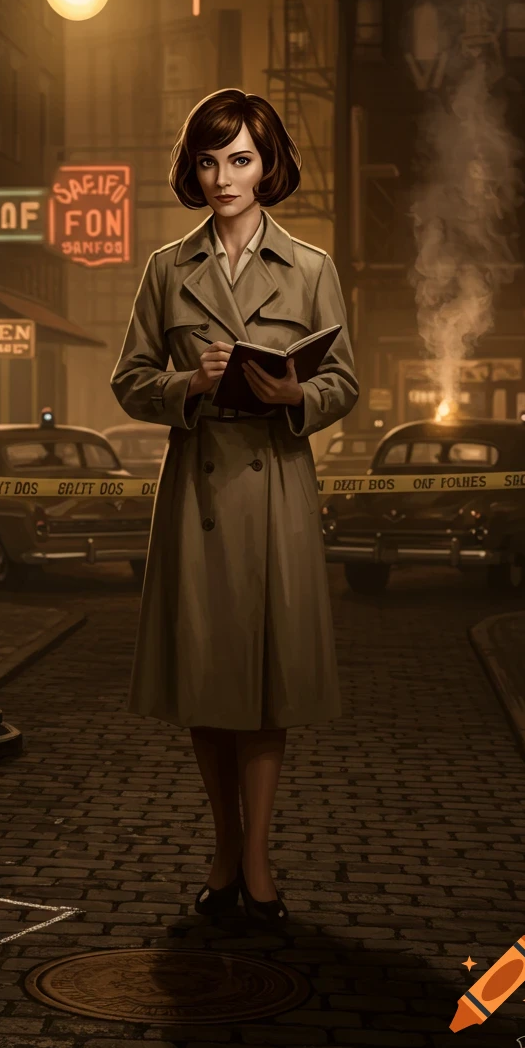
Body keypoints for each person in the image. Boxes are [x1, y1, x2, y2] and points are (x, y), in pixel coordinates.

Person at [109, 88, 359, 931]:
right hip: (200, 492)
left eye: (241, 159)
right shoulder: (166, 268)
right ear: (193, 169)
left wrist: (296, 395)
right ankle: (223, 850)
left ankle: (256, 860)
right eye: (209, 160)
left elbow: (344, 381)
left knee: (268, 686)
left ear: (268, 166)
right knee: (208, 681)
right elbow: (130, 379)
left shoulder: (312, 268)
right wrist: (189, 382)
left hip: (278, 484)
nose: (224, 177)